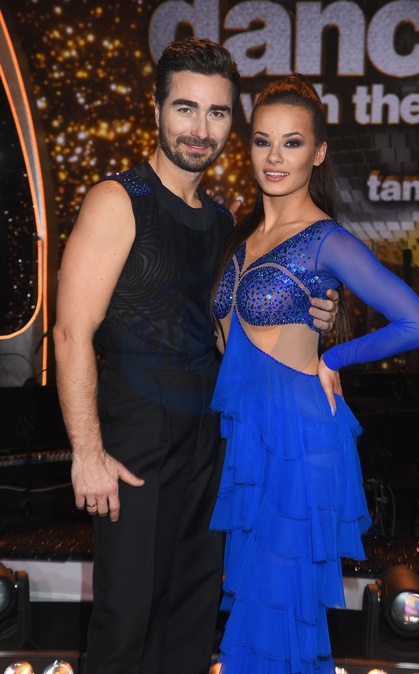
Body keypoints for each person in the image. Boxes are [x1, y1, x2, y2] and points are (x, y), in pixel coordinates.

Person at [53, 39, 338, 674]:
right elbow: (70, 332)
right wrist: (87, 452)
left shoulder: (221, 221)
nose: (199, 129)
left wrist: (312, 322)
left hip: (211, 439)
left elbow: (237, 336)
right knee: (126, 620)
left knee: (190, 617)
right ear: (156, 109)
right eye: (185, 108)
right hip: (134, 436)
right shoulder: (118, 200)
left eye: (216, 112)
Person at [210, 74, 419, 674]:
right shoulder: (242, 235)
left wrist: (333, 358)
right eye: (263, 141)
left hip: (302, 445)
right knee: (253, 615)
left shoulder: (327, 242)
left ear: (318, 153)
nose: (275, 157)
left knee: (275, 618)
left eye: (292, 143)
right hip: (248, 451)